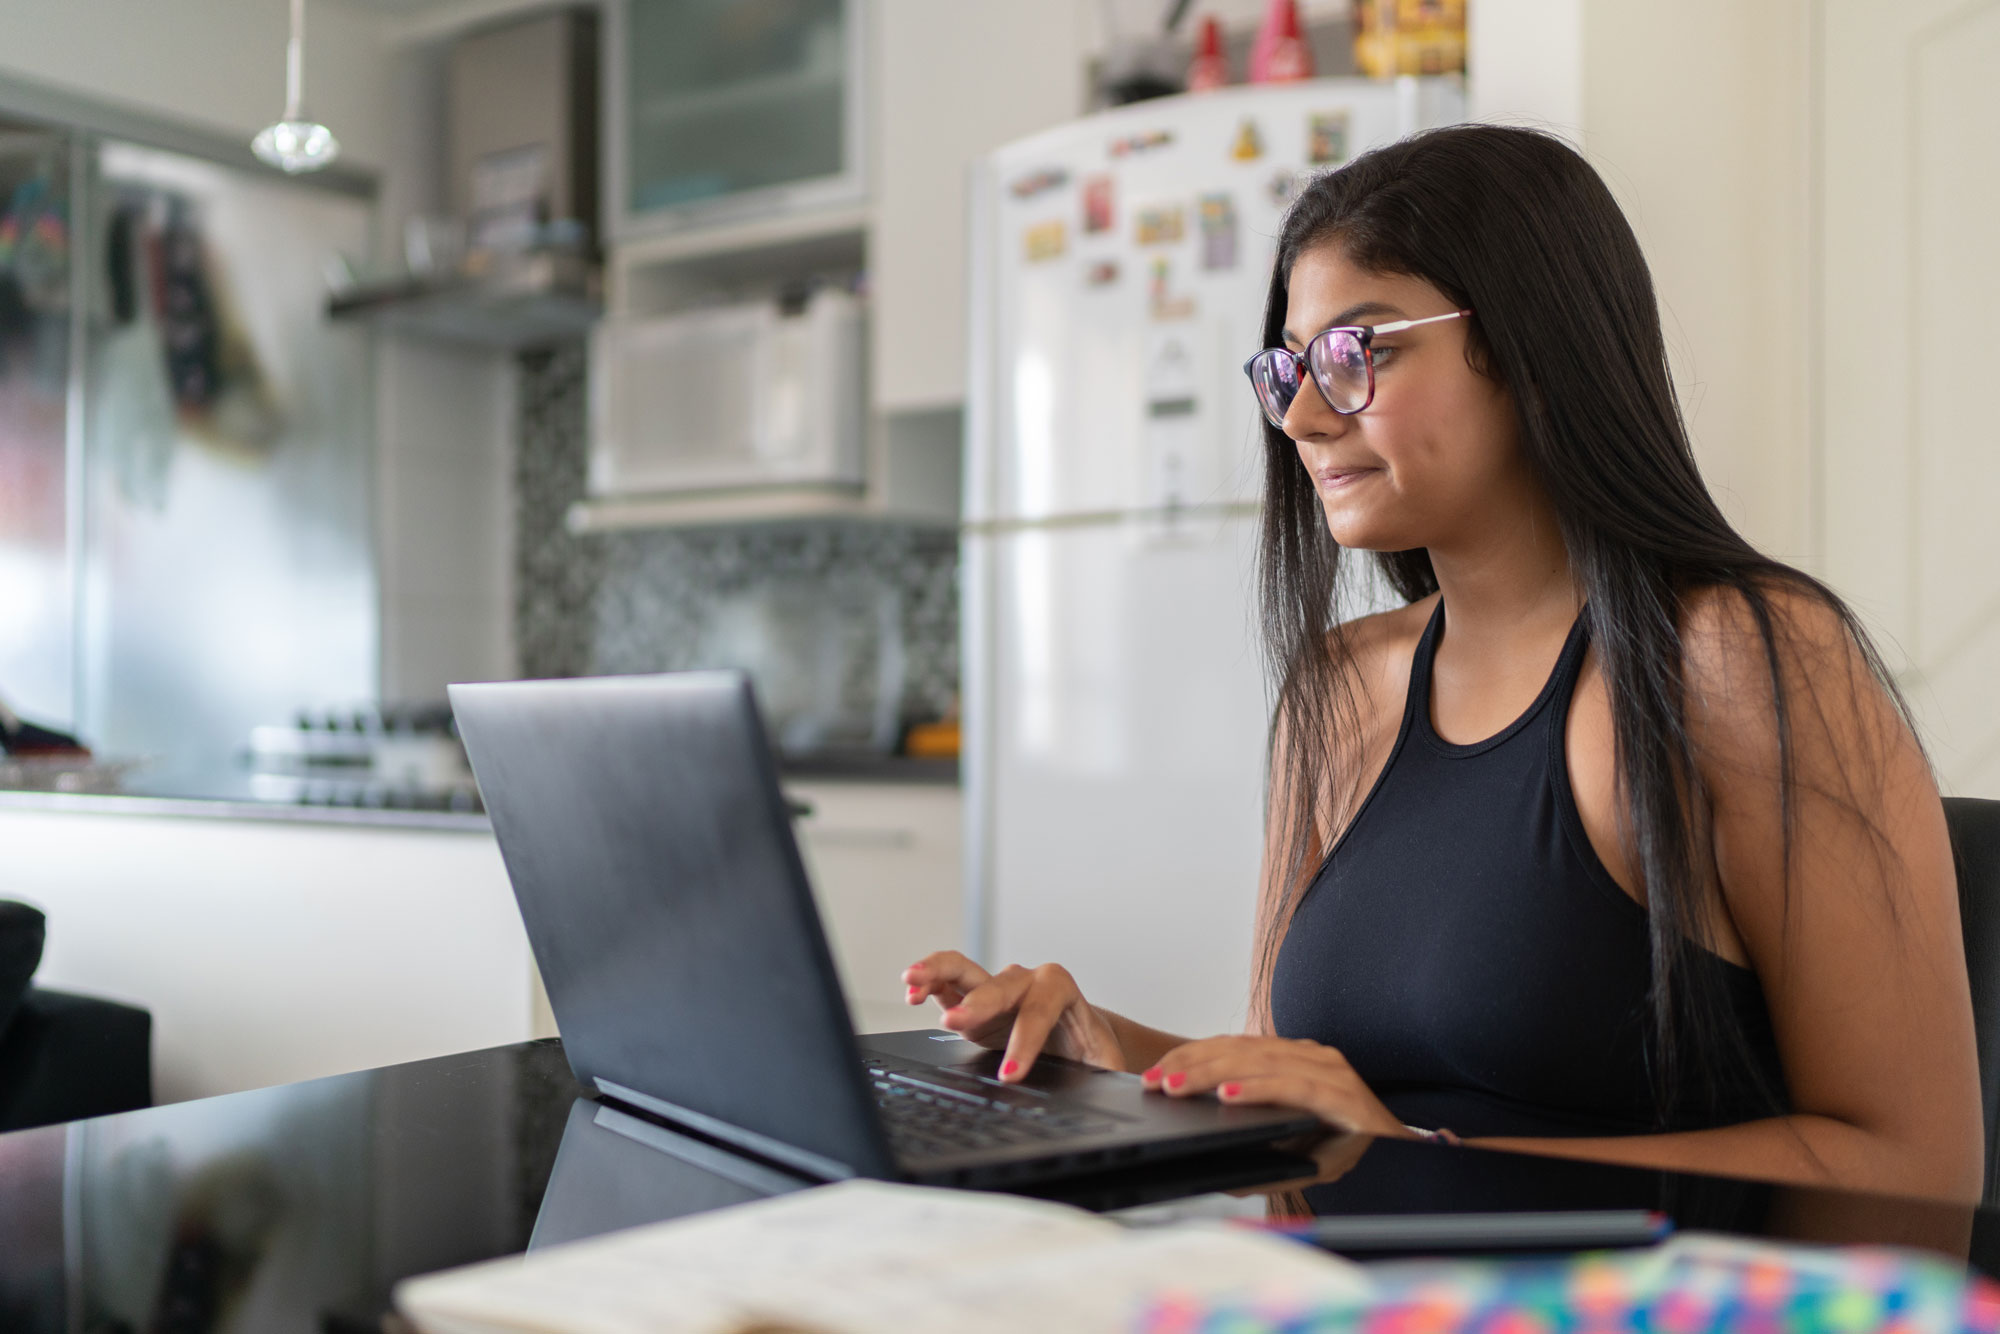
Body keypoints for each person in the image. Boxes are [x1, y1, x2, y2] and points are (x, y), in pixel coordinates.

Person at [904, 125, 1985, 1203]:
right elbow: (1298, 1110)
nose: (1299, 414)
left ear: (1528, 343)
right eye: (1287, 365)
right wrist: (1103, 1053)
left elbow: (1912, 1177)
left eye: (1357, 351)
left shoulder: (1740, 661)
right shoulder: (1335, 688)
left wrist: (1418, 1159)